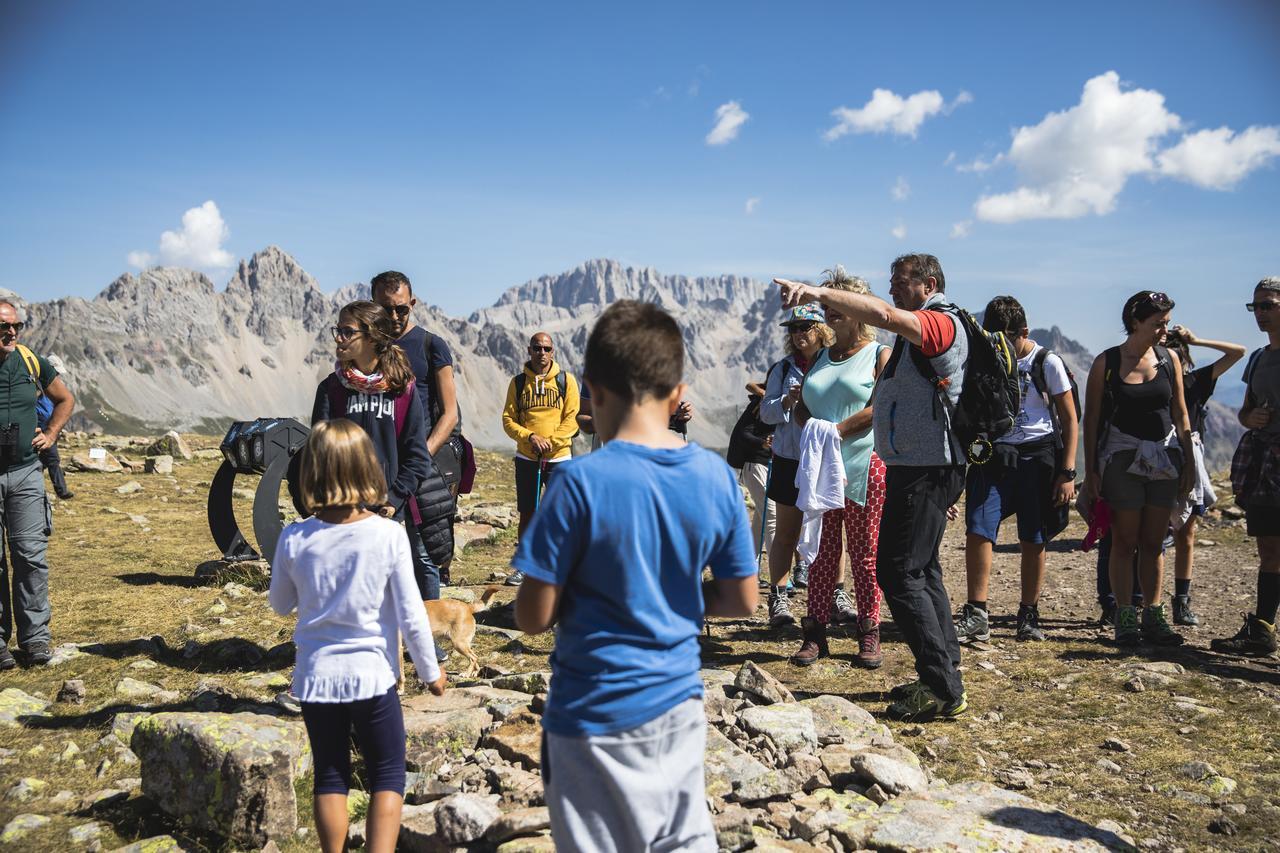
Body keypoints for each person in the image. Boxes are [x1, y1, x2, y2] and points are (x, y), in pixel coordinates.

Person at [512, 300, 758, 853]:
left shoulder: (574, 485)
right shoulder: (717, 479)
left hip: (588, 717)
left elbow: (532, 617)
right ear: (677, 394)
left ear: (591, 392)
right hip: (676, 708)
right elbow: (743, 598)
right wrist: (675, 596)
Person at [776, 254, 969, 722]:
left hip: (919, 465)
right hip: (911, 464)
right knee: (920, 571)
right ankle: (942, 675)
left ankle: (940, 685)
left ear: (929, 284)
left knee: (897, 571)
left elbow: (882, 317)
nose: (892, 291)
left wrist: (818, 292)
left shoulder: (940, 323)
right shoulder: (912, 331)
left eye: (899, 283)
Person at [269, 419, 447, 853]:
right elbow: (411, 612)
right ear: (369, 468)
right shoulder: (387, 534)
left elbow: (279, 603)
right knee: (388, 772)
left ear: (312, 470)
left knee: (331, 772)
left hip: (315, 678)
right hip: (371, 676)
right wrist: (430, 672)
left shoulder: (295, 537)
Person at [957, 296, 1078, 644]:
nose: (1000, 345)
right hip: (993, 453)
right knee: (979, 528)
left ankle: (1029, 613)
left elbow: (1070, 418)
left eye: (1006, 338)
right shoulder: (985, 357)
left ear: (1023, 331)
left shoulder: (1046, 362)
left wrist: (1067, 472)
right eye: (992, 337)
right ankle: (977, 612)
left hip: (1037, 457)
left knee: (1033, 535)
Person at [307, 302, 453, 590]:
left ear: (372, 337)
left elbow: (416, 454)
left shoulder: (402, 389)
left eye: (347, 332)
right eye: (338, 330)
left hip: (386, 516)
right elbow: (318, 452)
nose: (339, 338)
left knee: (386, 594)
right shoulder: (331, 388)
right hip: (341, 513)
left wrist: (394, 499)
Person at [788, 268, 890, 669]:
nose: (830, 312)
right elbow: (806, 407)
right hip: (822, 467)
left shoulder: (878, 354)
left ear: (858, 310)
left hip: (863, 465)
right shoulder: (821, 358)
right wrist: (806, 419)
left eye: (838, 306)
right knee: (821, 551)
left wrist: (835, 432)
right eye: (827, 305)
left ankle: (869, 630)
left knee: (865, 553)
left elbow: (880, 405)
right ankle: (815, 632)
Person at [1081, 292, 1194, 647]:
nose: (1165, 330)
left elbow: (1180, 412)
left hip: (1163, 459)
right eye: (1158, 323)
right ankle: (1125, 617)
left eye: (1166, 322)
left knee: (1154, 541)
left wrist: (1189, 463)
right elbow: (1093, 419)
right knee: (1124, 540)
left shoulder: (1169, 359)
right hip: (1122, 459)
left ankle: (1154, 615)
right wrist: (1092, 473)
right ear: (1135, 323)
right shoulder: (1108, 363)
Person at [370, 271, 465, 592]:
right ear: (374, 305)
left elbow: (449, 414)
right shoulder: (369, 347)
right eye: (386, 309)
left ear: (412, 303)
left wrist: (419, 457)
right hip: (380, 466)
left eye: (401, 309)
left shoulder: (431, 345)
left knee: (423, 553)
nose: (394, 316)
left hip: (424, 464)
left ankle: (428, 635)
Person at [759, 306, 852, 628]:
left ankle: (836, 595)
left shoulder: (835, 362)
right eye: (793, 328)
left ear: (821, 329)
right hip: (789, 458)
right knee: (786, 533)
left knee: (831, 531)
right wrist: (786, 402)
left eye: (806, 327)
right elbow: (765, 413)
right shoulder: (782, 370)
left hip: (826, 457)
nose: (799, 334)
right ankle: (779, 598)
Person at [0, 301, 75, 670]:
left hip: (27, 472)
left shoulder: (31, 361)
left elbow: (65, 399)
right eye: (3, 326)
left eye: (16, 325)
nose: (11, 332)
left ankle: (36, 641)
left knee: (30, 556)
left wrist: (50, 434)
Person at [1213, 277, 1280, 656]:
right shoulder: (1257, 358)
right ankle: (1263, 629)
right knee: (1269, 547)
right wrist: (1249, 416)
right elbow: (1245, 410)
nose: (1260, 313)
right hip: (1264, 463)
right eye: (1255, 306)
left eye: (1268, 305)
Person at [1163, 324, 1244, 625]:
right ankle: (1153, 602)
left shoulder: (1195, 381)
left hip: (1189, 459)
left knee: (1185, 533)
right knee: (1163, 535)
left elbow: (1238, 352)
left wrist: (1197, 340)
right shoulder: (1159, 382)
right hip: (1163, 456)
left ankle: (1180, 601)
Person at [501, 332, 580, 585]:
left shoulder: (566, 381)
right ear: (529, 350)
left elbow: (572, 418)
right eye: (537, 348)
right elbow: (508, 420)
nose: (542, 353)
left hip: (559, 459)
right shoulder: (518, 382)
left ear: (553, 351)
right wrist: (530, 437)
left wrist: (551, 442)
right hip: (527, 457)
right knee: (528, 513)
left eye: (546, 349)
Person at [726, 382, 776, 572]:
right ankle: (778, 573)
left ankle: (747, 567)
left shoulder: (776, 403)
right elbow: (742, 433)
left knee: (761, 519)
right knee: (772, 515)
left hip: (765, 466)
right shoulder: (761, 403)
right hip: (755, 465)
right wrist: (763, 443)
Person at [37, 354, 72, 500]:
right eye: (55, 371)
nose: (57, 375)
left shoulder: (51, 387)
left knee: (43, 462)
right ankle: (61, 491)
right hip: (41, 427)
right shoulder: (37, 384)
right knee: (52, 460)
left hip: (50, 427)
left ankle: (33, 486)